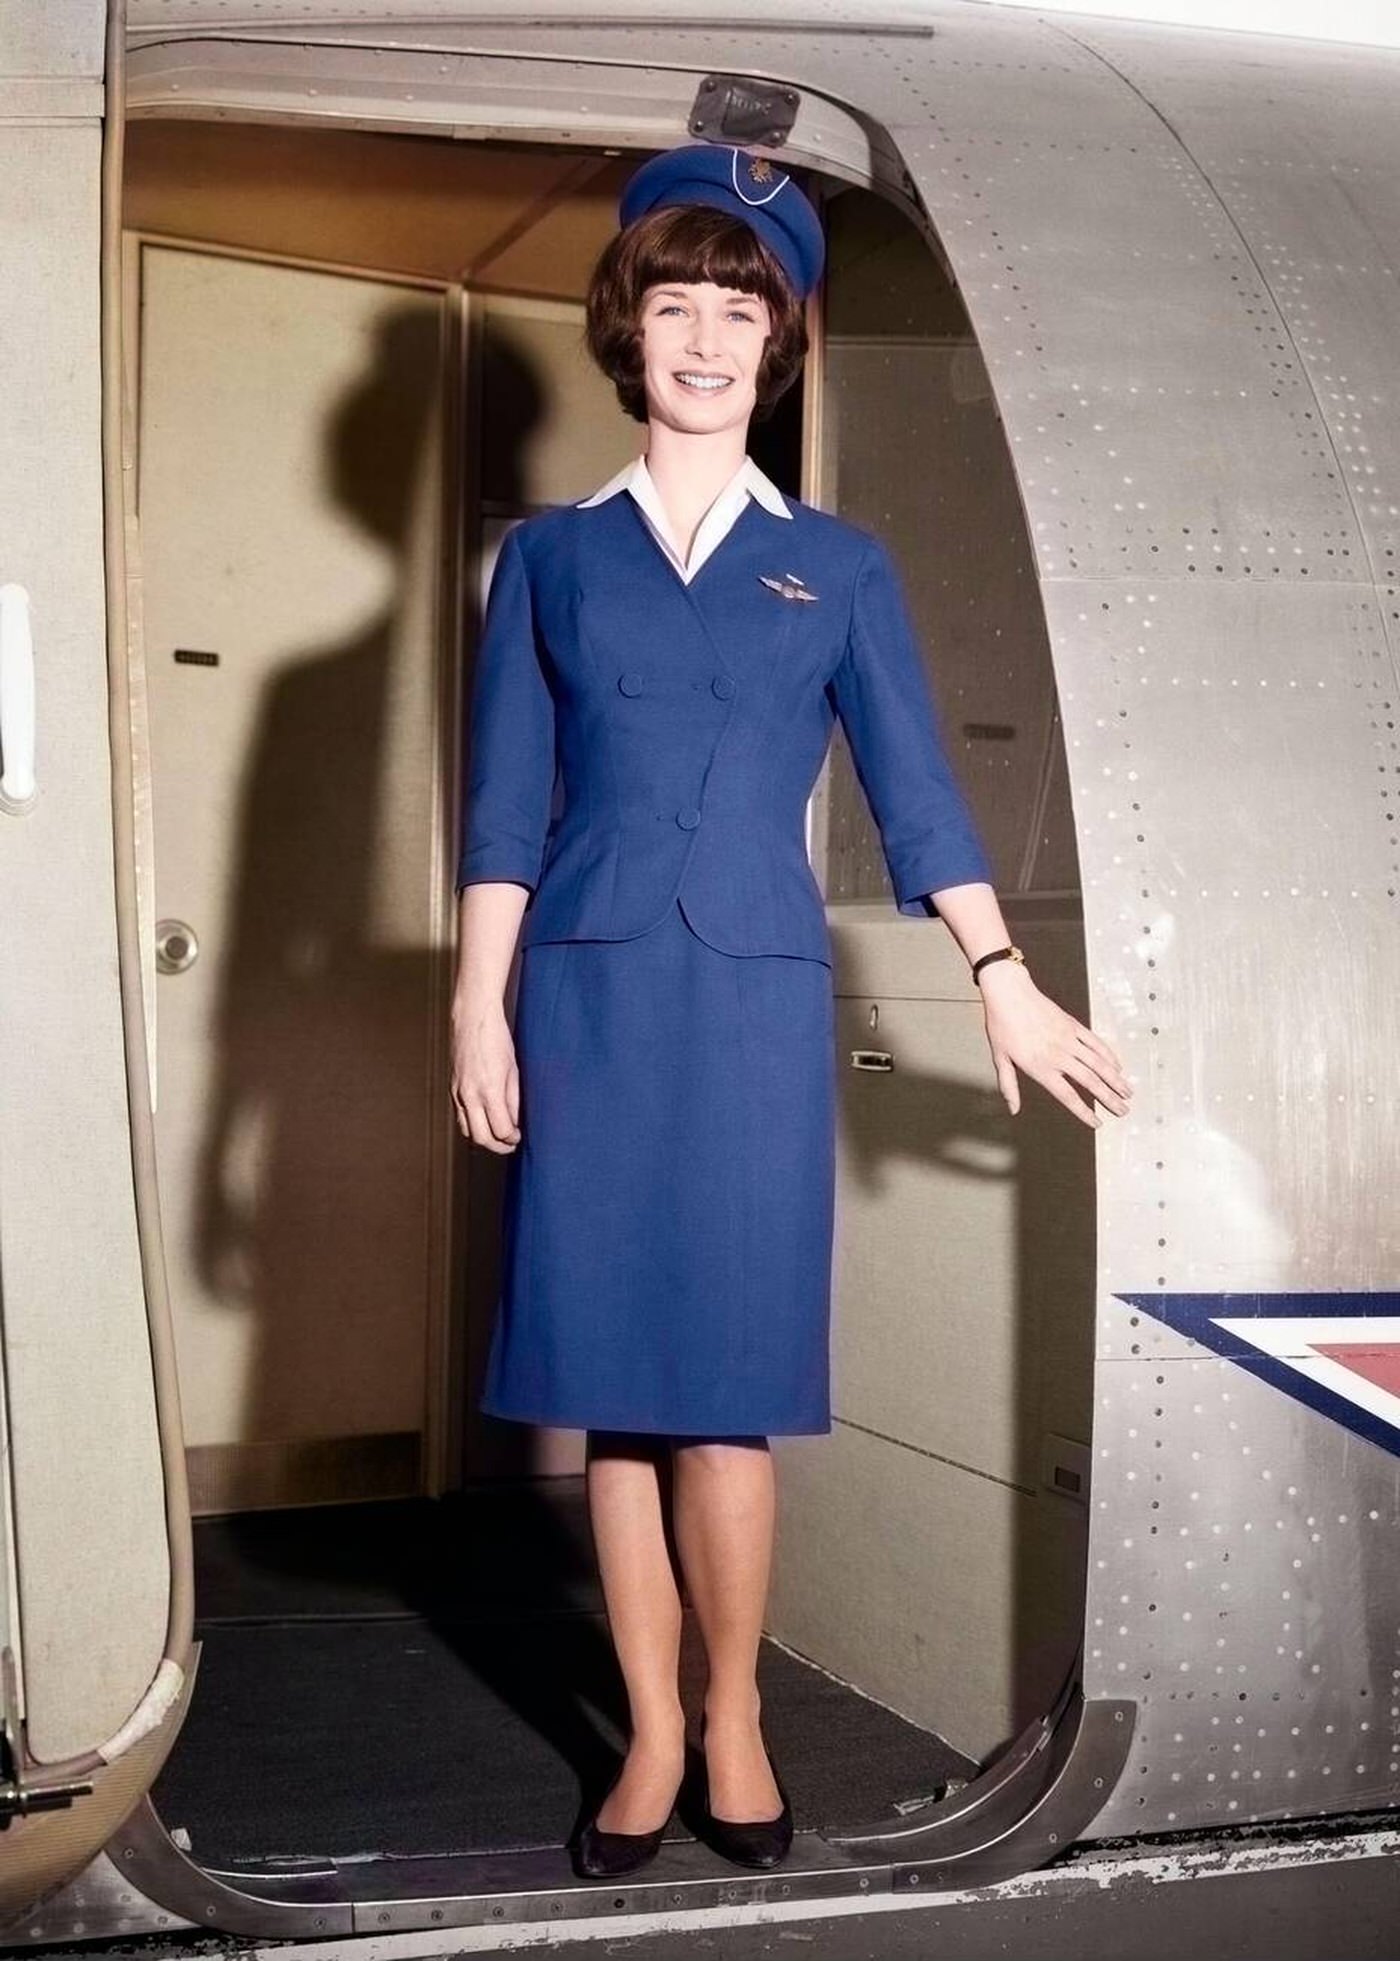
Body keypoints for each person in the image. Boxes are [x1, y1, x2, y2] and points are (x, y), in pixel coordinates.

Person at [449, 144, 1132, 1882]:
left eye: (735, 308)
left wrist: (1001, 973)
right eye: (671, 304)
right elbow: (504, 813)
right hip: (587, 998)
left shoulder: (835, 565)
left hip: (751, 1003)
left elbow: (915, 793)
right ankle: (650, 1734)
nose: (701, 337)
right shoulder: (550, 560)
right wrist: (478, 1007)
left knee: (728, 1389)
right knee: (612, 1392)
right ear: (629, 330)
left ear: (777, 342)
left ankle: (735, 1713)